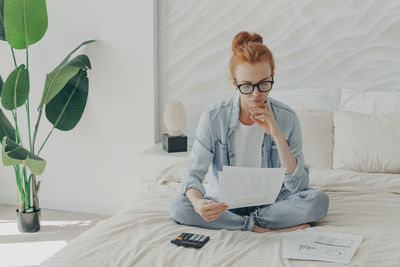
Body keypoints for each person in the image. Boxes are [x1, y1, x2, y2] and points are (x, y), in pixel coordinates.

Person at [168, 31, 329, 233]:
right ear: (234, 83)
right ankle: (257, 227)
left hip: (273, 202)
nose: (256, 94)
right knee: (179, 206)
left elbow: (298, 186)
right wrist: (198, 203)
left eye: (263, 84)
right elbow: (193, 174)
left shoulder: (287, 117)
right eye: (246, 86)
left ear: (272, 77)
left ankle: (243, 223)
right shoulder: (213, 117)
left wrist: (277, 135)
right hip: (224, 203)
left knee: (318, 201)